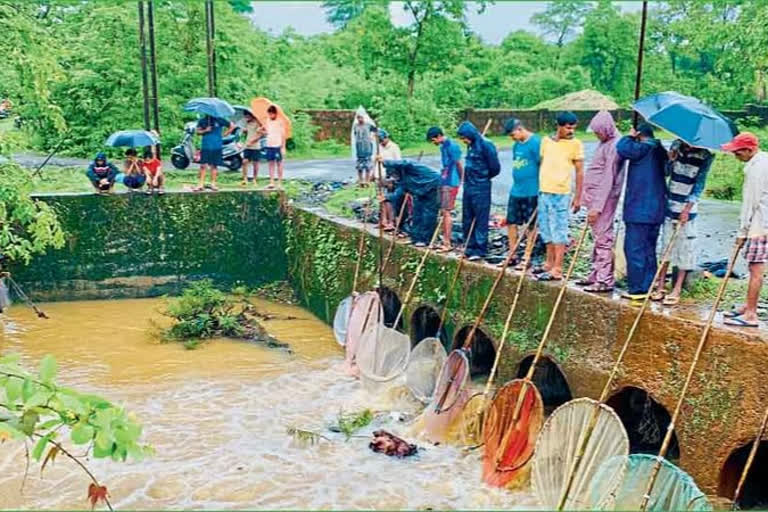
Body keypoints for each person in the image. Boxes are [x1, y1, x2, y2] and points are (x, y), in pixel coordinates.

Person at [651, 139, 714, 305]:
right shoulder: (676, 146)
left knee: (685, 249)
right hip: (670, 204)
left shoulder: (705, 155)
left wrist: (687, 209)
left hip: (688, 209)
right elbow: (665, 173)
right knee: (666, 247)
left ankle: (677, 288)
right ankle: (660, 286)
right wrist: (670, 160)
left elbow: (699, 185)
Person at [721, 133, 768, 327]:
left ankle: (750, 314)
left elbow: (750, 203)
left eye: (737, 151)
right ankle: (748, 305)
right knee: (753, 268)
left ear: (749, 150)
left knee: (756, 269)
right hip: (762, 223)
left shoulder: (756, 169)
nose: (735, 155)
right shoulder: (763, 160)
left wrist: (742, 233)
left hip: (760, 224)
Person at [616, 123, 668, 300]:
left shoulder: (642, 149)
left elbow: (622, 148)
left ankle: (638, 289)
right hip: (657, 209)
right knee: (649, 249)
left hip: (639, 209)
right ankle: (649, 284)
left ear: (640, 135)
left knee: (634, 249)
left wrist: (629, 136)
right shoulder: (660, 150)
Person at [536, 111, 585, 280]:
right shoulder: (546, 141)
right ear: (559, 126)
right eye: (567, 127)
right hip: (544, 191)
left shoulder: (576, 144)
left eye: (573, 127)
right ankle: (548, 263)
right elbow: (542, 163)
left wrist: (578, 197)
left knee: (559, 230)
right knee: (546, 229)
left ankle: (558, 268)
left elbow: (579, 172)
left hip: (561, 193)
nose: (570, 130)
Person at [578, 111, 623, 292]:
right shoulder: (604, 143)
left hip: (603, 201)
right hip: (594, 198)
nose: (597, 135)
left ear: (606, 129)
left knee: (604, 238)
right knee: (597, 237)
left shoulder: (615, 145)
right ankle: (595, 274)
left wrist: (596, 207)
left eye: (598, 132)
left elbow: (608, 178)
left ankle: (604, 280)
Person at [456, 121, 501, 261]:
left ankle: (480, 249)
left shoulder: (486, 145)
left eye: (464, 137)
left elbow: (495, 168)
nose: (463, 141)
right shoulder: (470, 146)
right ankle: (469, 247)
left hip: (481, 187)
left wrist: (482, 177)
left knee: (481, 218)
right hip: (468, 186)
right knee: (468, 217)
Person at [503, 118, 541, 269]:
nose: (512, 138)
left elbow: (542, 164)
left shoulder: (536, 143)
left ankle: (527, 256)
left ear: (520, 129)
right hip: (516, 190)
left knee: (530, 225)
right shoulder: (516, 146)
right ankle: (512, 254)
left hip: (531, 191)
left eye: (513, 135)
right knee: (511, 222)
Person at [380, 159, 441, 248]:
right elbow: (398, 193)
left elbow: (405, 162)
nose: (394, 177)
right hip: (419, 191)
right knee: (416, 214)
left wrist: (384, 162)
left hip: (432, 186)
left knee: (428, 215)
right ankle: (415, 238)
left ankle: (425, 239)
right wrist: (386, 197)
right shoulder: (402, 180)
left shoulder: (409, 166)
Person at [427, 126, 464, 252]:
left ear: (438, 136)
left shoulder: (453, 146)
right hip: (444, 180)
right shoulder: (443, 147)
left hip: (451, 182)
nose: (434, 143)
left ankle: (447, 243)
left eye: (433, 140)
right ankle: (443, 240)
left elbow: (459, 164)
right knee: (442, 211)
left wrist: (462, 179)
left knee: (447, 212)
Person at [195, 114, 233, 192]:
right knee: (203, 165)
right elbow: (197, 132)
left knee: (214, 165)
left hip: (217, 145)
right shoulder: (202, 120)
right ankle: (200, 184)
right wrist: (205, 130)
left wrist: (224, 135)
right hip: (206, 145)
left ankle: (213, 184)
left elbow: (232, 125)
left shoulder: (220, 119)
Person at [377, 129, 402, 231]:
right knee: (381, 199)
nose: (381, 142)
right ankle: (383, 220)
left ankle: (391, 222)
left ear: (387, 138)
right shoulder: (379, 147)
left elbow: (399, 163)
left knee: (389, 200)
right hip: (380, 176)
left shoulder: (394, 147)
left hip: (391, 177)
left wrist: (394, 178)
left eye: (382, 140)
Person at [264, 105, 287, 189]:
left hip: (277, 144)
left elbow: (283, 135)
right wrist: (262, 131)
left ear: (275, 113)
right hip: (269, 144)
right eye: (269, 114)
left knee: (279, 163)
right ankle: (271, 181)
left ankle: (280, 182)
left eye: (271, 114)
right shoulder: (267, 121)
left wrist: (283, 147)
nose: (270, 116)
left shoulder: (280, 121)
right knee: (270, 163)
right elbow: (267, 131)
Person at [241, 110, 265, 186]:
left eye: (247, 116)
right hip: (247, 145)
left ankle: (255, 179)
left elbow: (261, 134)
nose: (246, 118)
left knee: (256, 163)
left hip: (255, 146)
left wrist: (253, 141)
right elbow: (248, 132)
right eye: (245, 116)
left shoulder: (258, 123)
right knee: (244, 162)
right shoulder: (247, 123)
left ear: (252, 116)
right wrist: (244, 131)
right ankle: (245, 178)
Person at [353, 113, 376, 186]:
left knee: (368, 165)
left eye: (361, 118)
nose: (360, 119)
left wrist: (372, 137)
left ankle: (367, 181)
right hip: (359, 148)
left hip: (367, 147)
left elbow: (376, 130)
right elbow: (355, 135)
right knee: (359, 166)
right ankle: (360, 181)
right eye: (358, 118)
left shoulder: (368, 125)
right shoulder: (356, 126)